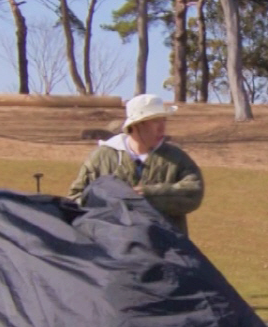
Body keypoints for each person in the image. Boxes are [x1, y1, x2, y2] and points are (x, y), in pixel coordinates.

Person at [70, 90, 204, 225]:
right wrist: (112, 204)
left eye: (164, 120)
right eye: (155, 121)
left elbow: (193, 192)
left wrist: (146, 194)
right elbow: (76, 197)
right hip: (111, 242)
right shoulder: (102, 157)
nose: (162, 128)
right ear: (136, 125)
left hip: (164, 243)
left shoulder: (176, 157)